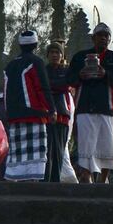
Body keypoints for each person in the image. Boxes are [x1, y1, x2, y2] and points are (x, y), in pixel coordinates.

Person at [67, 22, 113, 183]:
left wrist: (105, 74)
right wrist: (81, 74)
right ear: (93, 38)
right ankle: (86, 176)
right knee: (86, 146)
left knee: (107, 146)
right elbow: (69, 78)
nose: (103, 38)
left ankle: (103, 179)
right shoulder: (80, 57)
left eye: (106, 36)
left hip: (107, 108)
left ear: (109, 39)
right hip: (85, 107)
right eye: (99, 35)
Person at [3, 30, 56, 182]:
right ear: (36, 44)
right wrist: (51, 109)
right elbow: (43, 88)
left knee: (17, 153)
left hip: (14, 117)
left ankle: (16, 182)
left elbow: (6, 91)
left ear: (20, 45)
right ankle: (33, 183)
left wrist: (9, 114)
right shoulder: (37, 62)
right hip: (35, 115)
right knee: (36, 154)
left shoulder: (10, 65)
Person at [44, 41, 73, 182]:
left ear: (62, 55)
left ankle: (55, 181)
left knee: (60, 149)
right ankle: (46, 181)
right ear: (47, 55)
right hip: (46, 114)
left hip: (62, 114)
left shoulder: (66, 71)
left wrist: (51, 86)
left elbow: (65, 86)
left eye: (58, 52)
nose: (55, 55)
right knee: (47, 150)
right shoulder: (42, 70)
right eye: (52, 52)